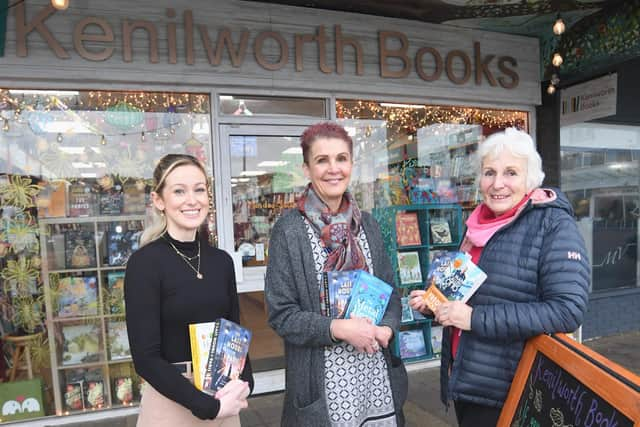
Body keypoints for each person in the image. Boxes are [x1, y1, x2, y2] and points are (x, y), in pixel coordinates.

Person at [409, 128, 590, 427]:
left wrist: (474, 318)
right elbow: (467, 293)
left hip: (510, 387)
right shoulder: (477, 224)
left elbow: (567, 310)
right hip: (467, 379)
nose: (498, 184)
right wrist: (435, 302)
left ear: (530, 179)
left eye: (511, 173)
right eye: (489, 172)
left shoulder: (554, 225)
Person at [265, 122, 408, 427]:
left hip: (377, 380)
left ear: (352, 164)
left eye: (341, 158)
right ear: (306, 169)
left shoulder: (367, 225)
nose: (334, 169)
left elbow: (391, 295)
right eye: (322, 160)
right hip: (325, 390)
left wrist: (387, 329)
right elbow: (282, 315)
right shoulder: (289, 231)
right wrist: (339, 329)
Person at [125, 154, 253, 427]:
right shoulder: (145, 264)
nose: (192, 200)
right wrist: (207, 406)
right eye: (179, 191)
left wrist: (245, 384)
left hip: (222, 396)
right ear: (159, 200)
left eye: (199, 189)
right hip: (171, 402)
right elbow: (146, 359)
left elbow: (234, 333)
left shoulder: (221, 261)